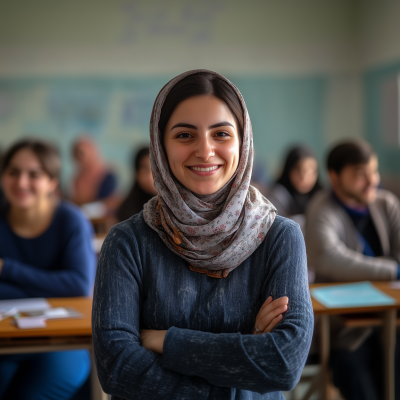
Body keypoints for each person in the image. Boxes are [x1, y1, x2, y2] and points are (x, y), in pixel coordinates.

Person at [92, 70, 313, 400]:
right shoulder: (128, 242)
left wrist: (165, 341)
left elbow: (283, 362)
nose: (205, 151)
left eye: (221, 134)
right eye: (184, 135)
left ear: (243, 141)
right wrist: (246, 352)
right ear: (160, 145)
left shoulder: (279, 237)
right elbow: (118, 367)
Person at [0, 139, 96, 400]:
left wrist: (7, 270)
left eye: (34, 174)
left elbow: (78, 286)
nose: (21, 183)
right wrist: (50, 284)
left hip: (62, 342)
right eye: (12, 172)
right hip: (5, 339)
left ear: (52, 182)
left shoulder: (71, 220)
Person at [305, 140, 400, 400]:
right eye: (360, 174)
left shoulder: (386, 204)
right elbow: (329, 258)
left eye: (374, 171)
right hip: (342, 325)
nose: (372, 181)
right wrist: (393, 270)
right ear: (334, 176)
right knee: (352, 363)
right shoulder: (321, 208)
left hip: (390, 315)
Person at [268, 145, 321, 223]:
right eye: (299, 170)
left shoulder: (321, 197)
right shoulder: (277, 198)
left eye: (311, 171)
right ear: (289, 170)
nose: (305, 177)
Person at [70, 136, 118, 206]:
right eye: (77, 154)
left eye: (82, 153)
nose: (80, 158)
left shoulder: (108, 176)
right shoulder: (77, 179)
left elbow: (111, 202)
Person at [116, 146, 157, 222]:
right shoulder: (127, 209)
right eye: (145, 169)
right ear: (137, 172)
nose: (150, 177)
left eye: (155, 169)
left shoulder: (175, 207)